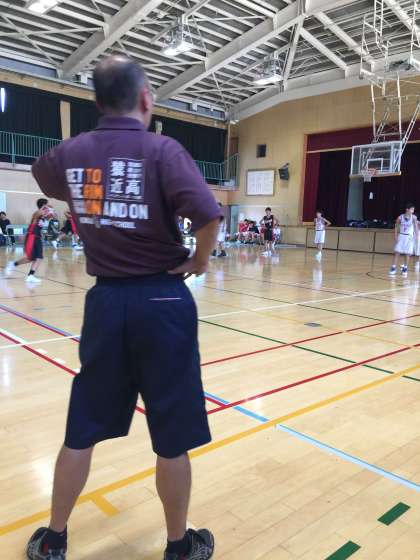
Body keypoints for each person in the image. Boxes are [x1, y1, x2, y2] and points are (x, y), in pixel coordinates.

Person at [26, 55, 221, 560]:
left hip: (107, 302)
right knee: (171, 436)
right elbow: (208, 215)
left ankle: (53, 539)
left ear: (97, 102)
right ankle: (179, 546)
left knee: (82, 428)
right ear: (146, 99)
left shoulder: (73, 152)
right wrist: (199, 261)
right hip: (164, 300)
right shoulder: (163, 150)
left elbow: (44, 175)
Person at [5, 198, 50, 283]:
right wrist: (46, 208)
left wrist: (49, 212)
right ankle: (13, 264)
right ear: (43, 205)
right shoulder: (37, 213)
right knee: (31, 258)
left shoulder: (43, 215)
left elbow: (47, 216)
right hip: (32, 237)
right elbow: (39, 213)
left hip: (38, 238)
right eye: (47, 204)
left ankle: (30, 276)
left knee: (38, 258)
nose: (48, 206)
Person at [390, 203, 418, 278]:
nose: (413, 211)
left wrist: (417, 237)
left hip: (409, 237)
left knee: (407, 253)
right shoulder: (400, 217)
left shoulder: (414, 218)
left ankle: (405, 268)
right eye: (411, 209)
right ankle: (393, 267)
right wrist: (395, 235)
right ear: (407, 209)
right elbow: (396, 227)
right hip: (401, 236)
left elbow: (416, 227)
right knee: (397, 252)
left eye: (413, 210)